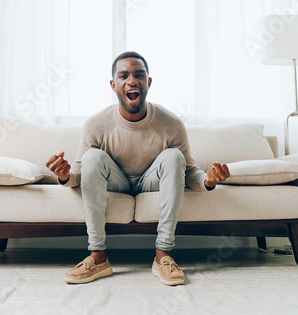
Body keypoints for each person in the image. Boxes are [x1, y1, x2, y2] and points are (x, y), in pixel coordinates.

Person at [46, 51, 230, 286]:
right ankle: (98, 256)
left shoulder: (171, 123)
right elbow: (80, 174)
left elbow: (188, 171)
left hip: (150, 180)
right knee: (92, 157)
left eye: (139, 75)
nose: (131, 81)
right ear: (114, 85)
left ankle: (163, 256)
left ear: (148, 83)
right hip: (116, 180)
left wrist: (208, 181)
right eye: (123, 76)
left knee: (174, 156)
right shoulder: (96, 124)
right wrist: (64, 176)